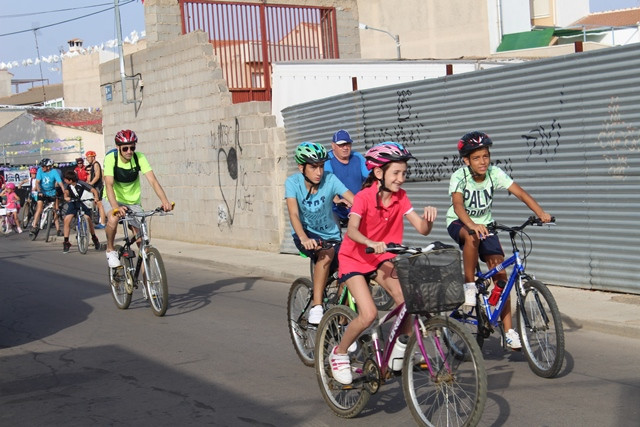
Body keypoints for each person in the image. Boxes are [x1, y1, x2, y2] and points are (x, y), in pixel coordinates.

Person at [329, 141, 437, 385]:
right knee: (368, 314)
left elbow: (421, 229)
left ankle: (403, 347)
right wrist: (371, 241)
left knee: (407, 299)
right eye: (396, 173)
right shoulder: (364, 198)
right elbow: (353, 231)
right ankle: (340, 352)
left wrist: (428, 221)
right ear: (379, 173)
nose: (401, 178)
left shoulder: (401, 198)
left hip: (381, 257)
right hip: (355, 257)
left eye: (404, 173)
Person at [446, 131, 552, 350]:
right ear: (466, 160)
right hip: (460, 223)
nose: (483, 162)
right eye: (476, 158)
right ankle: (469, 286)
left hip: (487, 225)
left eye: (485, 156)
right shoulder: (459, 176)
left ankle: (509, 331)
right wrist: (471, 224)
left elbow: (520, 193)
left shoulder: (495, 173)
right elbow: (458, 206)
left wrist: (541, 213)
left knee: (502, 279)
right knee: (472, 236)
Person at [285, 142, 355, 324]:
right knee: (327, 253)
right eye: (313, 167)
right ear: (302, 167)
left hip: (331, 234)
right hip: (306, 234)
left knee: (350, 271)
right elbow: (293, 213)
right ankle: (316, 307)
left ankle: (341, 325)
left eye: (321, 166)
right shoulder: (292, 183)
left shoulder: (330, 179)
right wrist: (303, 238)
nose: (319, 172)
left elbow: (354, 200)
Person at [104, 130, 173, 268]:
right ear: (118, 148)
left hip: (133, 202)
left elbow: (153, 181)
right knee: (113, 218)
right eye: (125, 148)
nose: (129, 151)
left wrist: (165, 201)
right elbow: (109, 184)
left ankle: (148, 286)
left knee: (143, 246)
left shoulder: (139, 158)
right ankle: (110, 249)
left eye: (132, 147)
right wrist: (115, 206)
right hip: (113, 198)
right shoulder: (111, 158)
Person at [323, 129, 368, 225]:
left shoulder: (357, 157)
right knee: (333, 234)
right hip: (335, 209)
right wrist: (337, 200)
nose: (345, 148)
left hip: (356, 207)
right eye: (341, 145)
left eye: (348, 144)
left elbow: (370, 176)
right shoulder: (328, 160)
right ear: (333, 146)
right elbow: (327, 184)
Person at [61, 170, 101, 253]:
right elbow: (66, 193)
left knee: (88, 219)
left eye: (66, 179)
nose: (65, 180)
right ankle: (66, 241)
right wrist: (67, 197)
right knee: (67, 219)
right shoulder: (67, 186)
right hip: (73, 203)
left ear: (70, 180)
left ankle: (94, 238)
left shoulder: (81, 183)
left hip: (83, 203)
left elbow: (93, 190)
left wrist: (96, 198)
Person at [30, 158, 64, 238]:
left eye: (44, 166)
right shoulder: (40, 171)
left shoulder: (54, 172)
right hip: (42, 192)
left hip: (51, 192)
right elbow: (37, 183)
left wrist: (64, 191)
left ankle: (58, 230)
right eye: (42, 166)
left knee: (55, 210)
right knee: (39, 208)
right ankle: (34, 226)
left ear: (48, 166)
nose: (42, 168)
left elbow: (60, 183)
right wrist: (39, 191)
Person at [85, 150, 106, 229]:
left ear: (93, 157)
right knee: (97, 204)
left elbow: (97, 176)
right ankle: (101, 220)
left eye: (88, 158)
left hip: (98, 187)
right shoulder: (93, 165)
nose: (87, 159)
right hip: (95, 186)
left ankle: (103, 222)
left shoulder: (96, 164)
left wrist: (91, 183)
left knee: (100, 205)